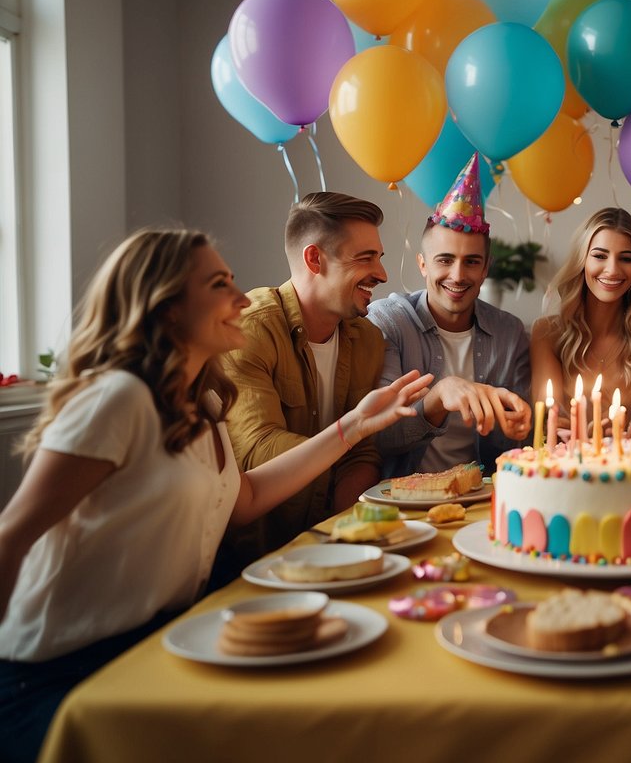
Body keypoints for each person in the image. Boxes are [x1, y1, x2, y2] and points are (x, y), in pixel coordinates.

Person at [0, 229, 432, 763]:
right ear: (168, 307)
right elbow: (11, 538)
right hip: (60, 676)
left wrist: (355, 425)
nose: (242, 298)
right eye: (219, 284)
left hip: (151, 650)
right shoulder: (117, 398)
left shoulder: (200, 400)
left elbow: (244, 497)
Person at [217, 191, 392, 576]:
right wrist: (348, 436)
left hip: (333, 555)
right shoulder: (249, 329)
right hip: (253, 567)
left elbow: (361, 456)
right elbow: (259, 453)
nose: (382, 274)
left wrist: (341, 539)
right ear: (315, 258)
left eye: (379, 258)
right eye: (366, 258)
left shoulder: (367, 339)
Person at [368, 155, 531, 476]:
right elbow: (379, 437)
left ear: (485, 268)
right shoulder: (390, 321)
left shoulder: (509, 332)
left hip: (482, 497)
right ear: (422, 264)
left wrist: (518, 426)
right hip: (404, 502)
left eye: (471, 262)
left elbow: (511, 445)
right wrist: (440, 396)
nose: (457, 275)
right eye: (444, 260)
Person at [530, 206, 631, 436]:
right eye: (600, 256)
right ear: (582, 260)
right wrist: (588, 435)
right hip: (571, 467)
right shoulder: (546, 332)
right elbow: (550, 420)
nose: (612, 270)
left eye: (626, 258)